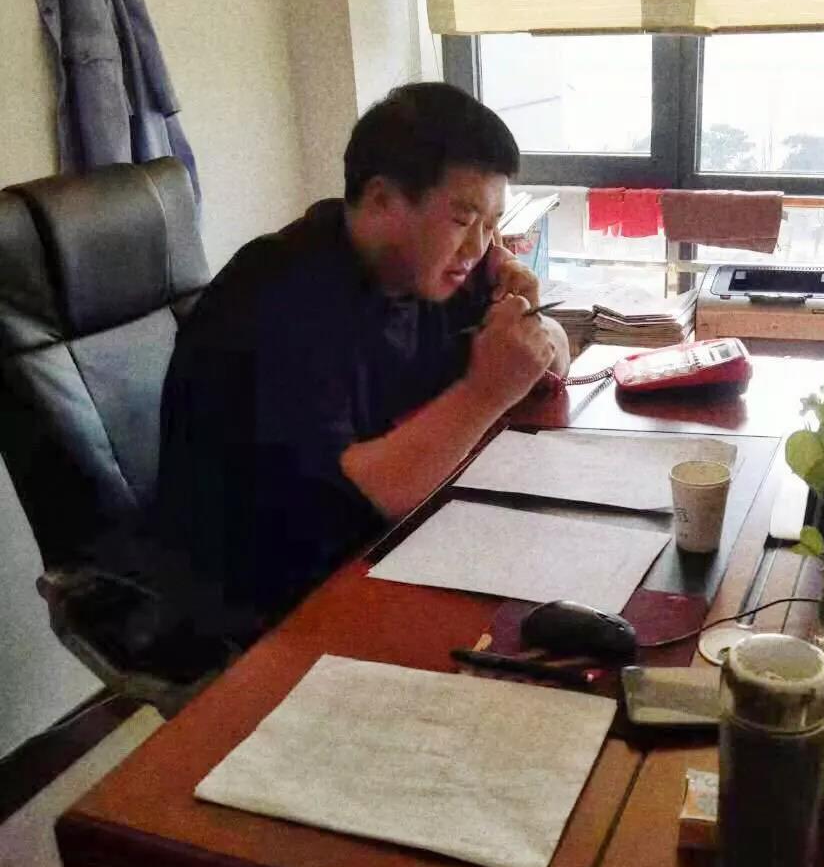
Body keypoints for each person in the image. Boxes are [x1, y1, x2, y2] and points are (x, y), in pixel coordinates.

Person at [155, 82, 569, 643]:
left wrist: (531, 320)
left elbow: (550, 359)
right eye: (462, 218)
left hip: (386, 547)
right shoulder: (280, 297)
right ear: (381, 200)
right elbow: (372, 492)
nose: (478, 247)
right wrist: (486, 389)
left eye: (492, 224)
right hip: (269, 596)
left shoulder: (429, 267)